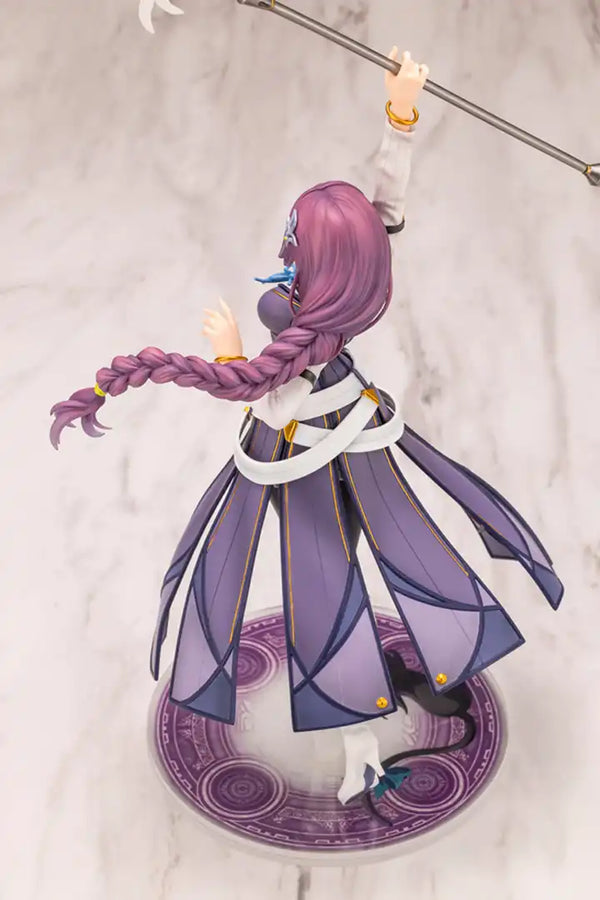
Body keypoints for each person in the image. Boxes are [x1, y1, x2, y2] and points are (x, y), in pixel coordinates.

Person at [50, 50, 563, 806]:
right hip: (337, 454)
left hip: (322, 467)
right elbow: (383, 213)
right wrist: (400, 115)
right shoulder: (323, 313)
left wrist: (233, 354)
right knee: (354, 578)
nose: (285, 248)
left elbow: (273, 404)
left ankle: (362, 740)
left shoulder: (303, 342)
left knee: (333, 596)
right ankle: (371, 720)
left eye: (295, 241)